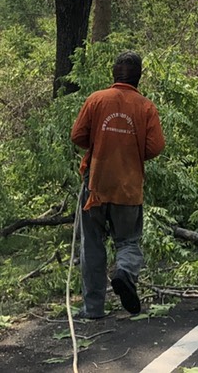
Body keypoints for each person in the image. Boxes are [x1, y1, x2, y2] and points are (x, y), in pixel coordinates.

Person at [70, 50, 165, 318]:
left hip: (96, 185)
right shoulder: (146, 107)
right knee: (128, 241)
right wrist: (132, 151)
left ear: (114, 75)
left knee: (92, 244)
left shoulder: (96, 100)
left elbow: (77, 135)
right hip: (128, 187)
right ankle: (124, 272)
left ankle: (93, 308)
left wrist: (100, 142)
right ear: (138, 77)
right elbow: (155, 146)